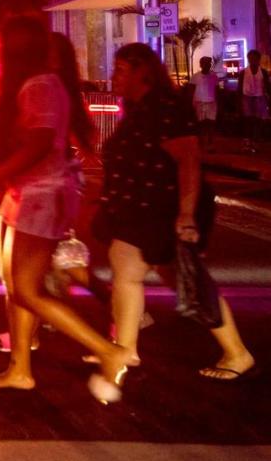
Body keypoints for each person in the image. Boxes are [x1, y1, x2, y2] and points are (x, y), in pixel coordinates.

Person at [0, 18, 132, 403]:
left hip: (40, 196)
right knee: (17, 288)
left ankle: (110, 352)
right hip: (26, 194)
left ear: (14, 49)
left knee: (26, 289)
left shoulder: (40, 85)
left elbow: (41, 141)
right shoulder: (39, 85)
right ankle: (21, 369)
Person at [93, 43, 255, 380]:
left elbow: (189, 161)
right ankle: (124, 351)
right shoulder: (139, 108)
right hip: (142, 212)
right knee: (131, 273)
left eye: (121, 70)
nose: (114, 76)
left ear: (143, 73)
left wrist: (185, 215)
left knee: (187, 282)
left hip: (161, 211)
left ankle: (237, 353)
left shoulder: (164, 108)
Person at [239, 49, 270, 153]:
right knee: (247, 120)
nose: (253, 60)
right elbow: (239, 88)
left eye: (255, 58)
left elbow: (268, 87)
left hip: (259, 97)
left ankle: (255, 142)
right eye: (251, 58)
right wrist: (238, 101)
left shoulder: (264, 72)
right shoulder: (243, 72)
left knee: (257, 121)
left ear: (258, 59)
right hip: (246, 97)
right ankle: (247, 142)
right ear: (248, 59)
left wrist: (268, 98)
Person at [190, 56, 218, 151]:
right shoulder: (195, 76)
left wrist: (218, 102)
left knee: (211, 124)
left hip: (211, 102)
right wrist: (191, 103)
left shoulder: (214, 76)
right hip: (199, 102)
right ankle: (201, 143)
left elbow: (217, 89)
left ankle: (210, 144)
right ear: (201, 65)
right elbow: (191, 90)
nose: (207, 65)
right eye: (205, 63)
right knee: (200, 124)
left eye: (209, 63)